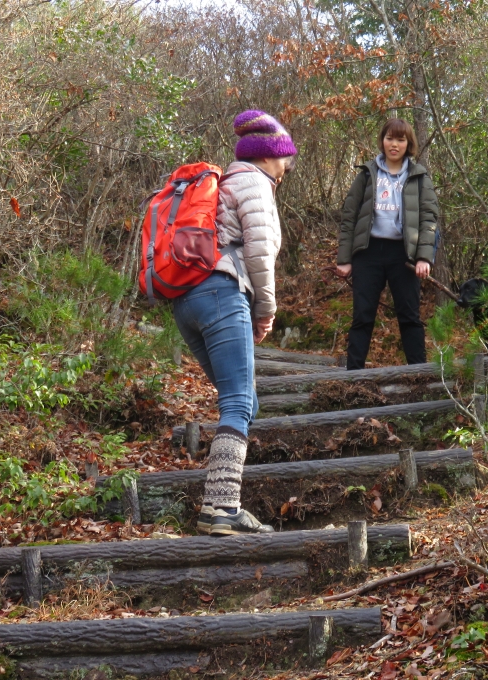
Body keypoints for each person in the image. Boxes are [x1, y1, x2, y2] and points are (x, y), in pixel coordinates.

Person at [172, 110, 296, 535]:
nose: (288, 164)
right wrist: (266, 311)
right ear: (269, 154)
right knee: (240, 402)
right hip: (222, 291)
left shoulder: (228, 182)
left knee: (244, 400)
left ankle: (222, 503)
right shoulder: (255, 184)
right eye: (286, 155)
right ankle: (221, 507)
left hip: (187, 301)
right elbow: (260, 257)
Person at [336, 118, 440, 370]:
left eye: (400, 139)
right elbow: (349, 216)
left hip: (403, 254)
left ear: (409, 144)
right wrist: (344, 258)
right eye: (390, 138)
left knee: (410, 317)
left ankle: (419, 376)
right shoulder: (367, 174)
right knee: (362, 316)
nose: (394, 144)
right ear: (383, 141)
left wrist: (424, 257)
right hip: (368, 253)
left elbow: (429, 218)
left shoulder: (419, 177)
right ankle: (353, 379)